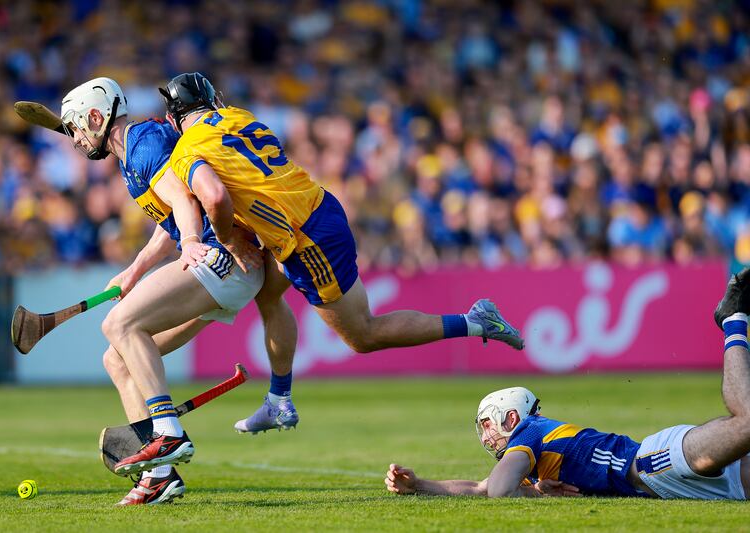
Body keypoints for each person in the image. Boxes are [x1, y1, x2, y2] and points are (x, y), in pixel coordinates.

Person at [158, 73, 525, 432]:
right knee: (268, 296)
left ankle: (476, 321)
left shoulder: (186, 150)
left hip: (304, 237)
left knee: (363, 335)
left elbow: (216, 196)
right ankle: (278, 400)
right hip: (314, 209)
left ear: (175, 117)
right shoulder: (239, 116)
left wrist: (229, 239)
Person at [59, 77, 269, 505]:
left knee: (119, 323)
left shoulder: (143, 142)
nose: (77, 141)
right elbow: (168, 217)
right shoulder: (132, 153)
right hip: (219, 265)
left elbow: (186, 204)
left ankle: (168, 434)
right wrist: (134, 270)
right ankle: (160, 474)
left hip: (220, 257)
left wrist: (191, 243)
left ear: (97, 118)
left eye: (77, 129)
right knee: (117, 358)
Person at [386, 269, 750, 500]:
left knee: (746, 421)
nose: (484, 436)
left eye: (487, 423)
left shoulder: (530, 431)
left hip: (654, 464)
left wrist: (537, 495)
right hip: (662, 480)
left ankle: (733, 320)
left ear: (512, 418)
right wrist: (419, 485)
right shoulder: (538, 458)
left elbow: (497, 490)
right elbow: (480, 487)